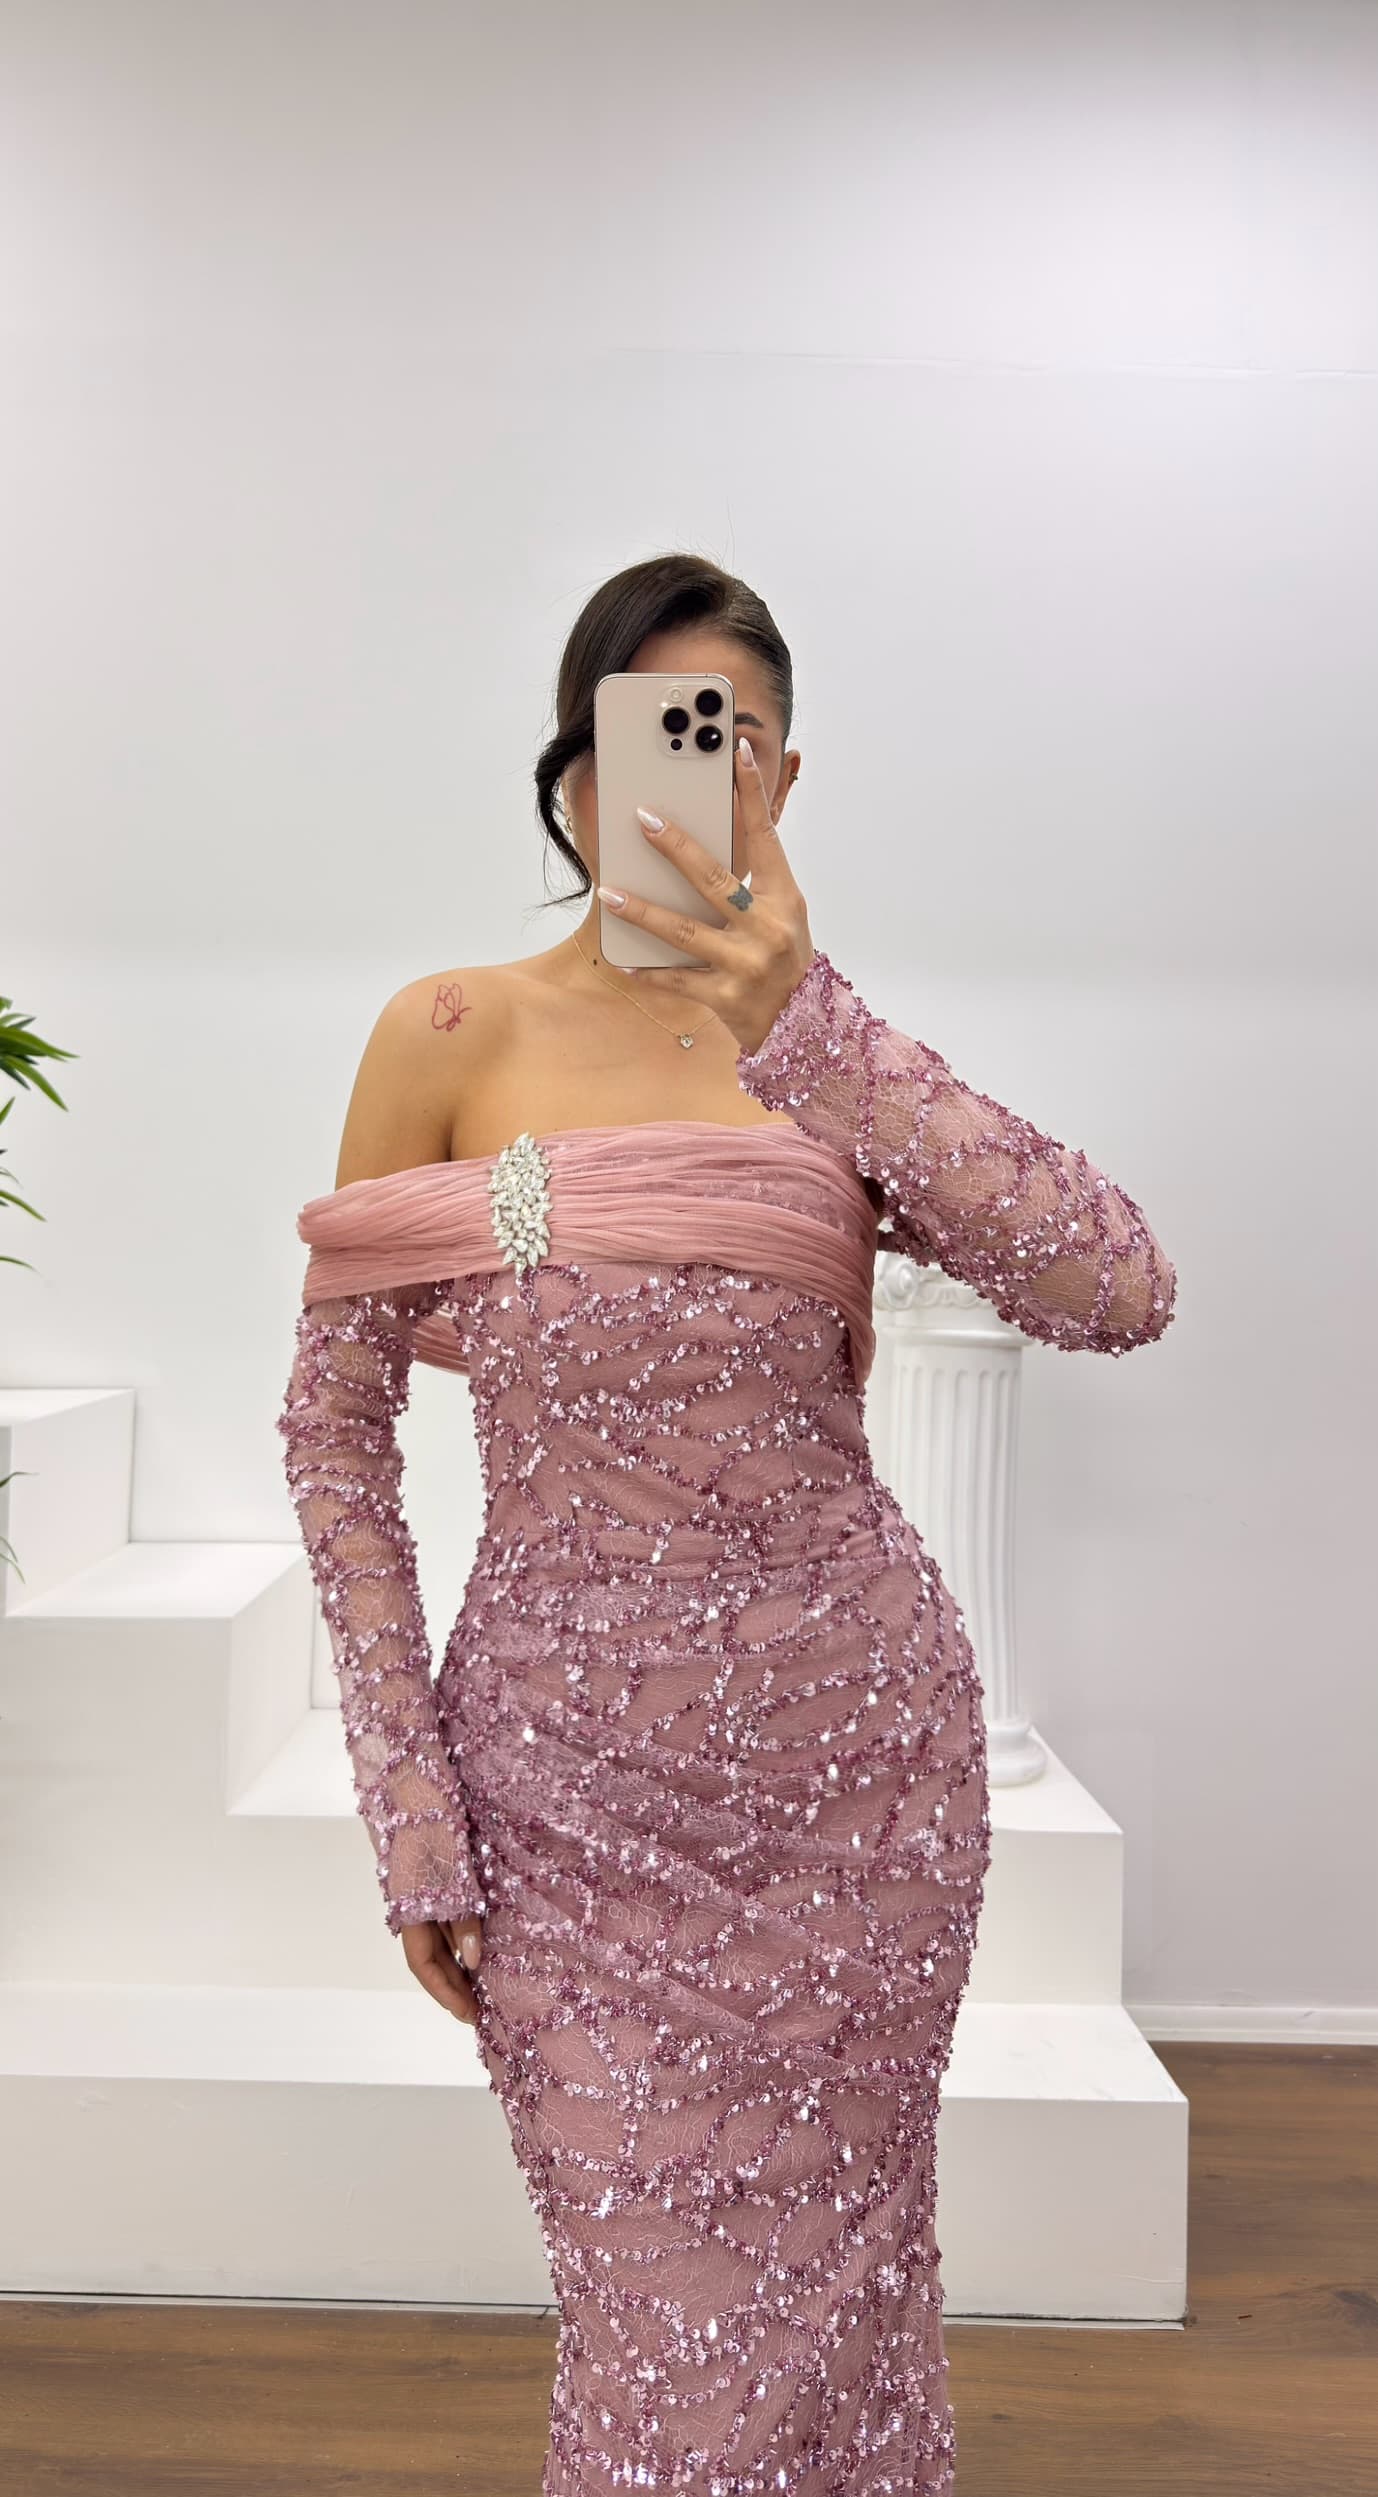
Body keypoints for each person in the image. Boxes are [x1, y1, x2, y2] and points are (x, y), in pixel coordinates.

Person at [277, 551, 1176, 2495]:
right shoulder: (448, 1033)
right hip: (568, 1812)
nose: (686, 777)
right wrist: (408, 1803)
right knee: (660, 2345)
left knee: (841, 2319)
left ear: (780, 779)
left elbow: (1115, 1283)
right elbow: (334, 1437)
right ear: (578, 767)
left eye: (730, 739)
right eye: (646, 733)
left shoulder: (826, 1062)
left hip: (856, 1794)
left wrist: (814, 1023)